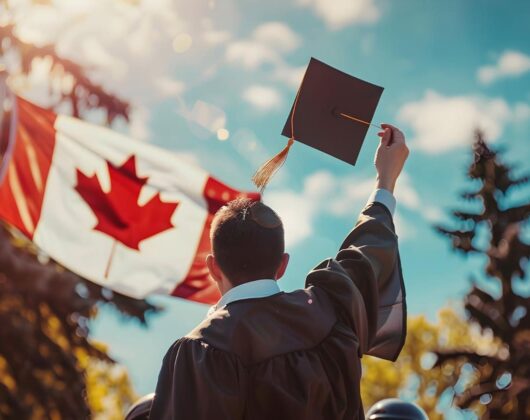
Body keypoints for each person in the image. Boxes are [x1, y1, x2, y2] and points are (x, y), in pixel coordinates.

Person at [149, 124, 409, 420]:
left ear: (212, 267)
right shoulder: (332, 308)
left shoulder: (201, 351)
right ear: (282, 265)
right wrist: (385, 179)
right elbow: (366, 254)